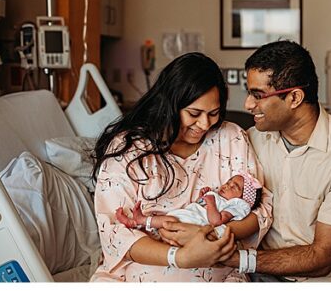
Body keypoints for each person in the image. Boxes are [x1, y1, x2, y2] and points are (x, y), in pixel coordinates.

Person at [90, 52, 273, 282]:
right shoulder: (130, 150)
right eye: (194, 114)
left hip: (220, 275)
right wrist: (181, 256)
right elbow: (115, 231)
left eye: (213, 113)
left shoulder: (230, 138)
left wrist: (210, 235)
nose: (205, 124)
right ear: (170, 106)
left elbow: (259, 210)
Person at [223, 40, 331, 282]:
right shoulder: (250, 141)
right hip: (266, 271)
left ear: (295, 97)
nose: (247, 104)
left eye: (258, 95)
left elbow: (323, 258)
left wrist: (238, 259)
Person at [114, 174, 264, 234]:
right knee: (164, 220)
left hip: (192, 225)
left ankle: (139, 221)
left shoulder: (235, 205)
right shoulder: (217, 196)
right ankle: (136, 223)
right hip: (187, 215)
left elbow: (216, 221)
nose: (226, 185)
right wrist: (202, 197)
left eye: (234, 187)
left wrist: (211, 203)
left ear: (242, 199)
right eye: (228, 182)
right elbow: (197, 207)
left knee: (169, 221)